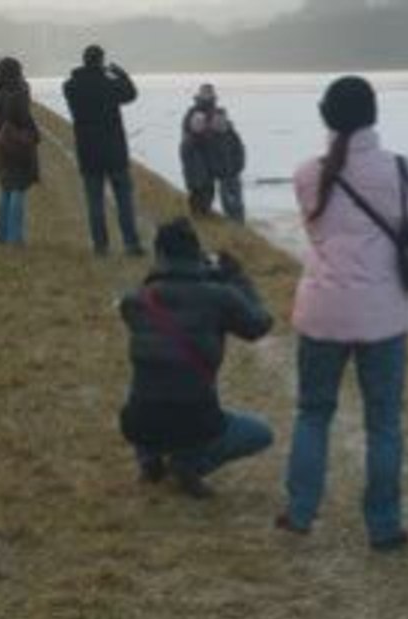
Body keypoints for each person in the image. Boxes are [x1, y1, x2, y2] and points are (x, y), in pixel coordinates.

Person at [278, 76, 408, 549]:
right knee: (383, 425)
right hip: (381, 316)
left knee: (313, 413)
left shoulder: (306, 174)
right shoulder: (400, 170)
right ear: (373, 114)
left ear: (326, 115)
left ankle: (299, 511)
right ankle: (383, 526)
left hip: (321, 311)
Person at [119, 217, 274, 499]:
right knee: (261, 434)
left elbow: (163, 294)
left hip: (138, 422)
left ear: (159, 254)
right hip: (196, 422)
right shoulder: (219, 296)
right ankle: (188, 464)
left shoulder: (135, 300)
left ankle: (150, 458)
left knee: (150, 377)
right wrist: (237, 278)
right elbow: (260, 324)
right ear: (197, 253)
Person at [63, 45, 143, 257]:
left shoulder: (70, 86)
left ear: (84, 60)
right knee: (124, 200)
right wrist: (121, 74)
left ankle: (100, 246)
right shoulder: (109, 85)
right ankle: (131, 244)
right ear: (101, 61)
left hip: (88, 151)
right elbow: (131, 94)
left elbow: (71, 83)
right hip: (114, 150)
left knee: (95, 202)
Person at [0, 56, 40, 246]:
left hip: (2, 143)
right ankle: (14, 237)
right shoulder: (17, 93)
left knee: (5, 187)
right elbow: (24, 118)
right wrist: (33, 135)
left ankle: (0, 236)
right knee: (18, 188)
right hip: (19, 144)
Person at [180, 83, 218, 216]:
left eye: (209, 93)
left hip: (211, 155)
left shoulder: (215, 111)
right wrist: (193, 138)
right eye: (205, 93)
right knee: (196, 187)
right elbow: (186, 131)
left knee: (209, 187)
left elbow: (220, 132)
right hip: (195, 153)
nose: (207, 95)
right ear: (200, 94)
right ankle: (196, 214)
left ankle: (205, 212)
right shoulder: (192, 111)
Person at [208, 108, 246, 223]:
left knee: (238, 204)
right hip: (222, 177)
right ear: (213, 120)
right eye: (217, 119)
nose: (219, 122)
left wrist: (239, 166)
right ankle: (232, 224)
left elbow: (240, 151)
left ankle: (240, 224)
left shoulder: (232, 134)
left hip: (235, 175)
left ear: (225, 119)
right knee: (228, 204)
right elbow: (210, 157)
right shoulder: (211, 137)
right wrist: (218, 171)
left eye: (221, 119)